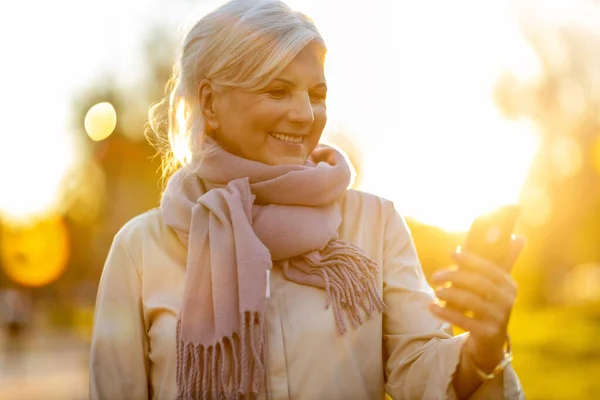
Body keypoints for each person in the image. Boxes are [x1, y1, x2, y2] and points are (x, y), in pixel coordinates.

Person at [89, 0, 526, 399]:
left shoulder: (374, 224)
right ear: (211, 103)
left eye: (316, 95)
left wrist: (480, 351)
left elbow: (419, 374)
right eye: (277, 91)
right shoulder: (140, 250)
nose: (304, 114)